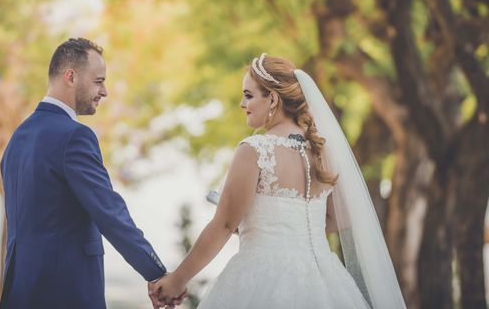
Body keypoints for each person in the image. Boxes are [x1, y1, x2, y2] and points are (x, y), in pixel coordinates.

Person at [150, 54, 406, 309]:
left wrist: (177, 279)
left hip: (261, 278)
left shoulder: (254, 150)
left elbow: (225, 225)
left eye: (248, 95)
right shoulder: (323, 151)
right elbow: (343, 217)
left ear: (272, 98)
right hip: (325, 281)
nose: (242, 103)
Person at [0, 38, 179, 308]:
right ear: (70, 77)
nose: (104, 91)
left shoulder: (18, 137)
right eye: (98, 81)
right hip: (65, 292)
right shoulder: (74, 137)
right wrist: (157, 273)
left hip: (19, 292)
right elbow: (110, 213)